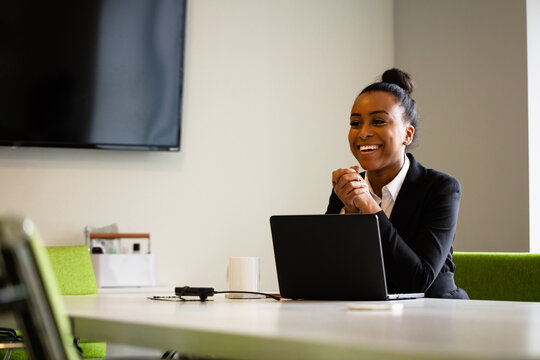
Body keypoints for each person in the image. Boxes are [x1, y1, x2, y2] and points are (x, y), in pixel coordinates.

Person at [326, 68, 468, 299]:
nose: (363, 133)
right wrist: (350, 214)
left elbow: (418, 280)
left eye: (379, 121)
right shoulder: (347, 190)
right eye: (355, 123)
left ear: (407, 135)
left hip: (434, 314)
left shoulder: (441, 188)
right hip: (368, 314)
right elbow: (328, 271)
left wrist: (370, 210)